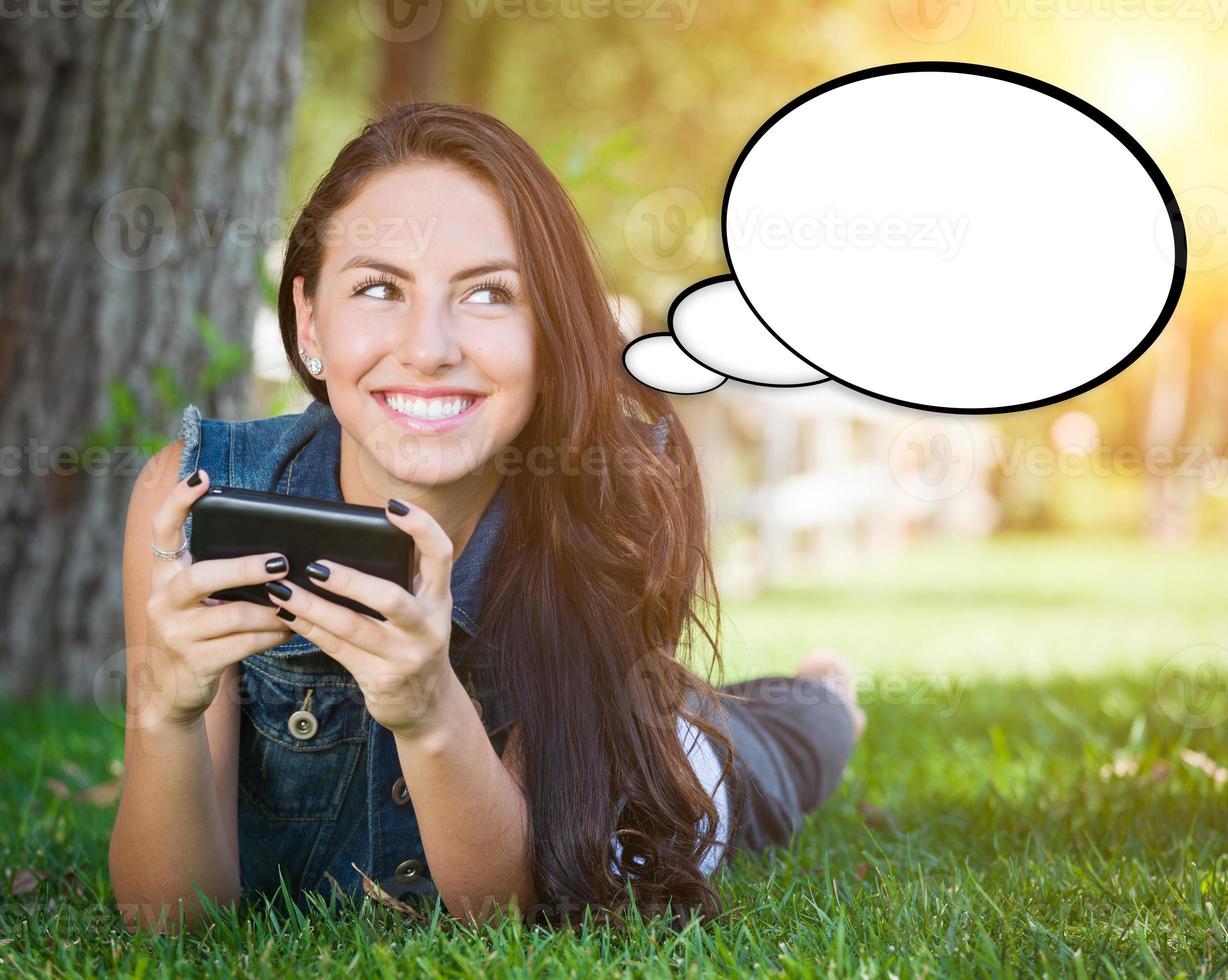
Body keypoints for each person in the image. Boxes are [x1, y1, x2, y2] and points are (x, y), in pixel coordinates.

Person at [108, 101, 865, 934]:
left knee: (767, 747)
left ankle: (825, 694)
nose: (429, 347)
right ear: (310, 321)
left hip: (629, 781)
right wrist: (167, 713)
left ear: (547, 329)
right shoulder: (194, 494)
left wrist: (429, 707)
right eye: (377, 287)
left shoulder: (606, 499)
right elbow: (167, 923)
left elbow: (504, 915)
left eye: (488, 294)